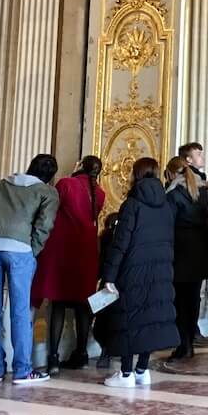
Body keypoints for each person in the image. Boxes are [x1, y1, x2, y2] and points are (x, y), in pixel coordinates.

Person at [0, 154, 60, 385]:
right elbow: (44, 225)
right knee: (19, 309)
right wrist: (32, 249)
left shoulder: (3, 184)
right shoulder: (46, 192)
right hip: (20, 250)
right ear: (50, 176)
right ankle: (22, 370)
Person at [100, 157, 180, 388]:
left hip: (132, 269)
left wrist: (109, 276)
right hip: (161, 269)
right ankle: (142, 370)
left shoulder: (132, 204)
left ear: (136, 174)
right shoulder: (166, 205)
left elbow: (120, 243)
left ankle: (126, 373)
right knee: (151, 320)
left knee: (130, 320)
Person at [31, 155, 105, 374]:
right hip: (86, 248)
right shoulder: (99, 192)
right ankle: (81, 354)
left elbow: (51, 209)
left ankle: (53, 358)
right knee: (83, 305)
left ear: (79, 165)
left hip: (63, 247)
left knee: (59, 303)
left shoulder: (66, 184)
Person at [165, 156, 208, 360]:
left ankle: (183, 344)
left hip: (180, 250)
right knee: (193, 299)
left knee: (179, 301)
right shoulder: (202, 191)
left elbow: (167, 223)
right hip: (200, 249)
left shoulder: (174, 193)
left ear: (172, 173)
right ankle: (189, 341)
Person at [93, 211, 120, 370]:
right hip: (119, 286)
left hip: (106, 285)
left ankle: (106, 352)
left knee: (101, 323)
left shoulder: (105, 239)